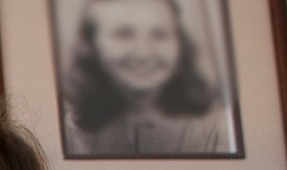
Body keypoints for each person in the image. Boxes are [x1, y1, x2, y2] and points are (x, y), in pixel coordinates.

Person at [59, 0, 231, 157]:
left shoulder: (220, 129)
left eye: (160, 35)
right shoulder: (69, 132)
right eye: (124, 34)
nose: (143, 53)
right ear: (91, 45)